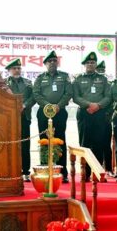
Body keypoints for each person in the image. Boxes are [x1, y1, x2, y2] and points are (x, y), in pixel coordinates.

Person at [33, 51, 73, 183]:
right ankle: (45, 168)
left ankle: (62, 172)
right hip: (44, 113)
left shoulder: (64, 76)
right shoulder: (39, 78)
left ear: (57, 63)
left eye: (54, 61)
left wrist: (58, 106)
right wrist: (49, 106)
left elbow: (68, 93)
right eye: (49, 61)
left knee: (60, 139)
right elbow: (36, 94)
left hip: (60, 112)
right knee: (44, 140)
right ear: (45, 64)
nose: (52, 63)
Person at [73, 52, 111, 182]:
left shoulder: (103, 79)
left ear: (96, 64)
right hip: (84, 113)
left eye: (93, 63)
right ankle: (85, 173)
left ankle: (97, 172)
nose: (90, 64)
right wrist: (89, 105)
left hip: (99, 113)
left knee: (99, 144)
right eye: (88, 63)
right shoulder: (78, 79)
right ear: (84, 65)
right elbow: (76, 97)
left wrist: (98, 106)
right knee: (84, 144)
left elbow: (108, 96)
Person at [5, 58, 36, 182]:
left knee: (24, 144)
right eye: (14, 68)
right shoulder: (3, 83)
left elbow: (33, 97)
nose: (17, 70)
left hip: (24, 116)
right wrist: (13, 107)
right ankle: (10, 170)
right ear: (9, 70)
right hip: (9, 118)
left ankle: (25, 172)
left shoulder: (28, 83)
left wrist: (24, 105)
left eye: (18, 68)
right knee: (10, 144)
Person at [96, 61, 115, 177]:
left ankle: (108, 168)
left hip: (106, 119)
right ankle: (96, 167)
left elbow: (113, 101)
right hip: (93, 117)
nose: (101, 72)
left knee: (106, 145)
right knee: (94, 144)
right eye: (99, 70)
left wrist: (108, 115)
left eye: (103, 70)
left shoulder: (109, 84)